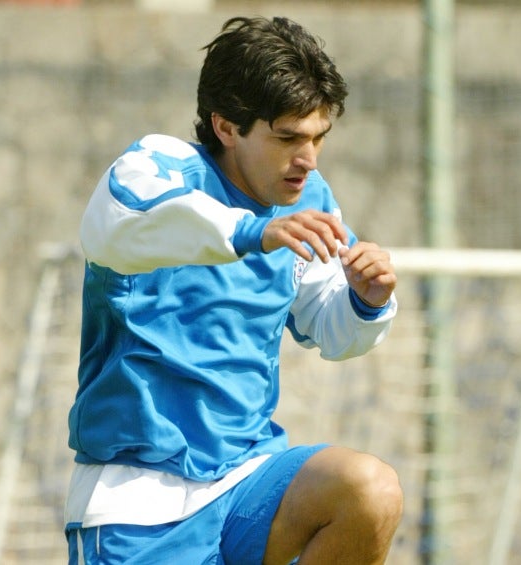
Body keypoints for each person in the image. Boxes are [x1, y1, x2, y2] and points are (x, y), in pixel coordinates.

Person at [65, 16, 403, 565]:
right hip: (138, 502)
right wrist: (251, 231)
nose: (308, 159)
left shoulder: (309, 197)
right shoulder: (155, 168)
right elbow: (122, 224)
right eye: (288, 138)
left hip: (248, 483)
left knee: (368, 490)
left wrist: (366, 299)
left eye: (318, 137)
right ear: (226, 127)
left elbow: (330, 324)